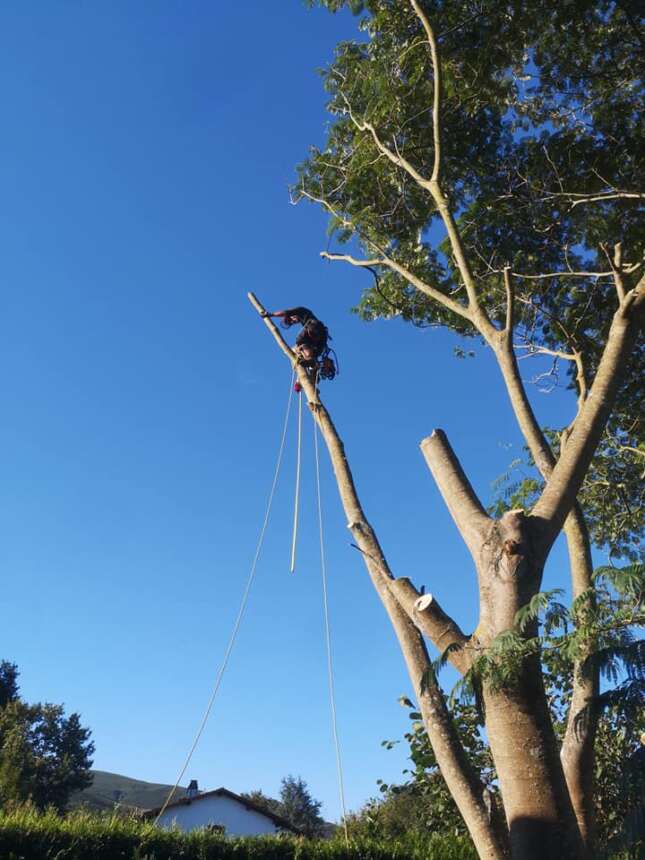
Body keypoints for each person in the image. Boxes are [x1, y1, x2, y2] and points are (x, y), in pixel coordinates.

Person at [264, 306, 329, 365]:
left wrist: (271, 314)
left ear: (292, 315)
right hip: (323, 335)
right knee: (314, 352)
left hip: (316, 327)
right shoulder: (306, 319)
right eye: (292, 323)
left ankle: (310, 359)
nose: (293, 321)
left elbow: (285, 313)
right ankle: (313, 366)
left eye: (292, 319)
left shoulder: (300, 311)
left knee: (300, 340)